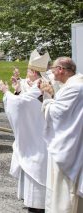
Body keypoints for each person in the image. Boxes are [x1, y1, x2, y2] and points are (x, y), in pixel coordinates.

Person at [0, 50, 50, 213]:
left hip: (39, 133)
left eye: (28, 71)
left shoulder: (41, 84)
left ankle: (38, 204)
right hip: (36, 130)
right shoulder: (41, 83)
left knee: (36, 164)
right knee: (32, 164)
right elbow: (26, 101)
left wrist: (6, 92)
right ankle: (32, 200)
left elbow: (21, 104)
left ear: (34, 72)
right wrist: (18, 90)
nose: (26, 73)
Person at [39, 57, 82, 213]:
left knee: (64, 189)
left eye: (53, 68)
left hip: (68, 146)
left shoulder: (75, 88)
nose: (51, 71)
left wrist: (47, 98)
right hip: (71, 140)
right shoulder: (74, 84)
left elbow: (58, 113)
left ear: (61, 70)